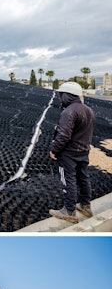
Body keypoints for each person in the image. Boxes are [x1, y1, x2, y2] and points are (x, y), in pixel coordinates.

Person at [49, 82, 94, 223]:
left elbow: (63, 135)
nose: (60, 98)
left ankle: (69, 211)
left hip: (69, 154)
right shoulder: (88, 110)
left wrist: (54, 150)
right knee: (83, 178)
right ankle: (85, 206)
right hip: (83, 151)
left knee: (69, 181)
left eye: (61, 95)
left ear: (67, 95)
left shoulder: (68, 112)